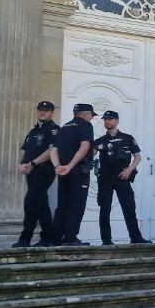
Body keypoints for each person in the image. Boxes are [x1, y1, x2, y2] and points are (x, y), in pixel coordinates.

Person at [93, 110, 150, 245]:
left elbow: (137, 157)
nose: (108, 121)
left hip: (122, 177)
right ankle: (106, 240)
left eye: (111, 119)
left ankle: (136, 238)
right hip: (105, 178)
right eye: (105, 119)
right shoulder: (100, 141)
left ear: (117, 121)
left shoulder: (127, 138)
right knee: (104, 209)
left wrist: (129, 169)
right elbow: (90, 155)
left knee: (129, 208)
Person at [50, 103, 97, 246]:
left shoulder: (64, 127)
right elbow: (84, 147)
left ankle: (56, 238)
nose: (91, 118)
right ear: (84, 114)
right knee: (76, 204)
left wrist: (57, 166)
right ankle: (70, 238)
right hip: (77, 171)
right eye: (91, 115)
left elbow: (53, 150)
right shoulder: (85, 126)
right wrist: (70, 166)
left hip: (62, 172)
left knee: (62, 204)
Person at [15, 101, 59, 248]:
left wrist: (33, 163)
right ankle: (47, 237)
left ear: (52, 112)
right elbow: (25, 150)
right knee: (39, 203)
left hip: (44, 169)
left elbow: (51, 151)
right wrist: (22, 164)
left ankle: (27, 238)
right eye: (40, 109)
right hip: (31, 171)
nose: (42, 112)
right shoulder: (33, 131)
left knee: (31, 202)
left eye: (46, 110)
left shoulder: (54, 130)